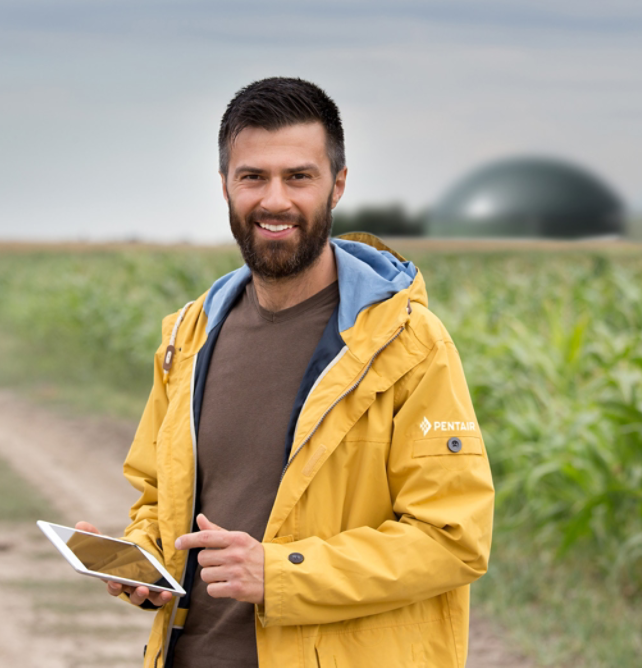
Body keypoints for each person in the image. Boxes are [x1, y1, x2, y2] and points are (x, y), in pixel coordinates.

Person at [76, 77, 493, 668]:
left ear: (337, 185)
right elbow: (155, 499)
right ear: (225, 185)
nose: (275, 200)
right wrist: (142, 562)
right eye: (253, 177)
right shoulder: (189, 338)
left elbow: (454, 540)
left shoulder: (409, 345)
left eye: (298, 176)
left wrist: (279, 574)